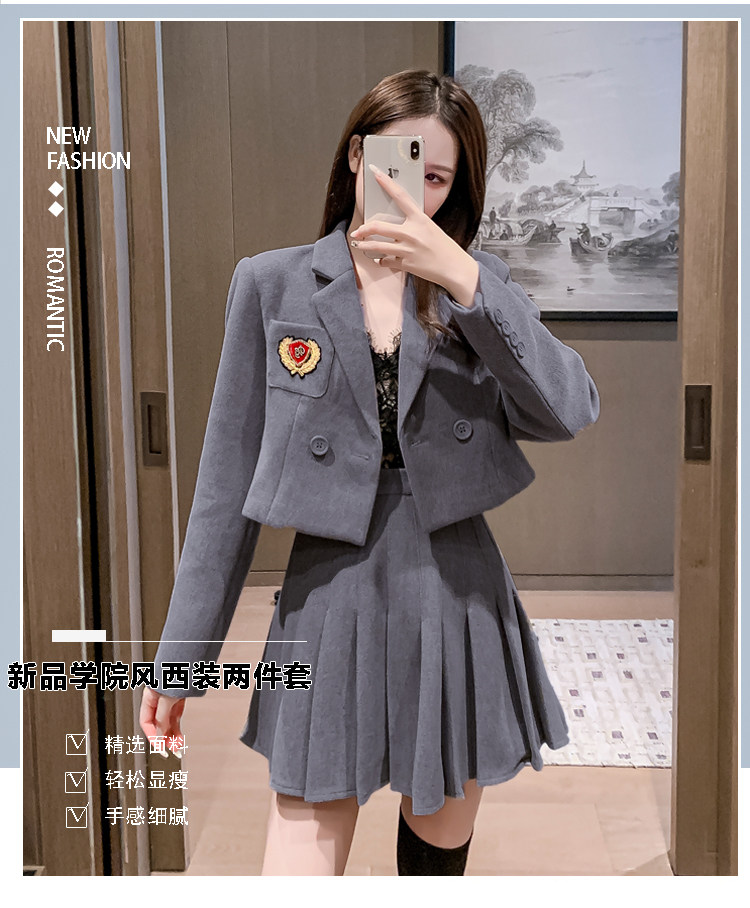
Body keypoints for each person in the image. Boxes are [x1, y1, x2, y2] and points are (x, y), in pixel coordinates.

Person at [139, 69, 600, 876]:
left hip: (456, 594)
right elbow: (224, 487)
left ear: (457, 190)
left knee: (434, 862)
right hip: (328, 596)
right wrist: (182, 656)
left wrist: (463, 279)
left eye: (437, 177)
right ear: (357, 155)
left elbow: (568, 410)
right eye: (398, 163)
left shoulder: (476, 289)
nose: (413, 190)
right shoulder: (273, 284)